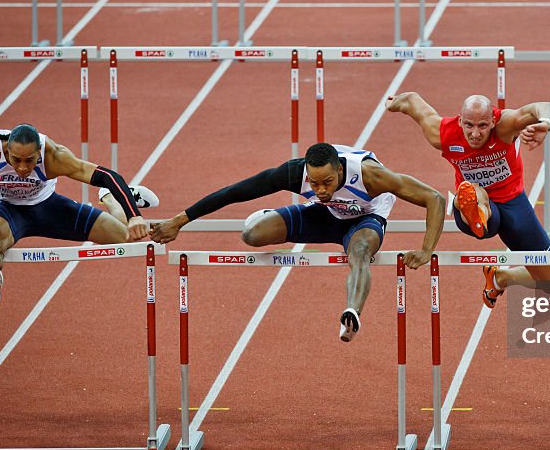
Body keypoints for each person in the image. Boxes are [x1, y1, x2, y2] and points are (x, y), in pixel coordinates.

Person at [149, 143, 445, 343]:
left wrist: (426, 249)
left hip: (363, 220)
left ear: (340, 171)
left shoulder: (371, 176)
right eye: (314, 183)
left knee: (360, 251)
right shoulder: (294, 173)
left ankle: (351, 314)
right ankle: (269, 217)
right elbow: (234, 192)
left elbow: (434, 198)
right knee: (252, 234)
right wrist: (178, 221)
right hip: (325, 215)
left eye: (327, 182)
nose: (321, 188)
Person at [386, 92, 550, 308]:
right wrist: (396, 102)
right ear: (460, 121)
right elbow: (413, 102)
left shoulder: (506, 126)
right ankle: (474, 209)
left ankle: (501, 278)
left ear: (493, 121)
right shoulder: (442, 134)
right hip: (474, 208)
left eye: (482, 126)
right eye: (469, 125)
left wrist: (544, 122)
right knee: (474, 191)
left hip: (513, 202)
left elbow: (543, 104)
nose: (476, 133)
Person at [0, 124, 159, 305]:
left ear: (39, 154)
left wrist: (134, 216)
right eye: (16, 160)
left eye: (30, 160)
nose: (23, 168)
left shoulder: (54, 156)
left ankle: (109, 199)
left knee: (126, 236)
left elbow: (106, 175)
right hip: (5, 209)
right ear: (7, 150)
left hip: (48, 207)